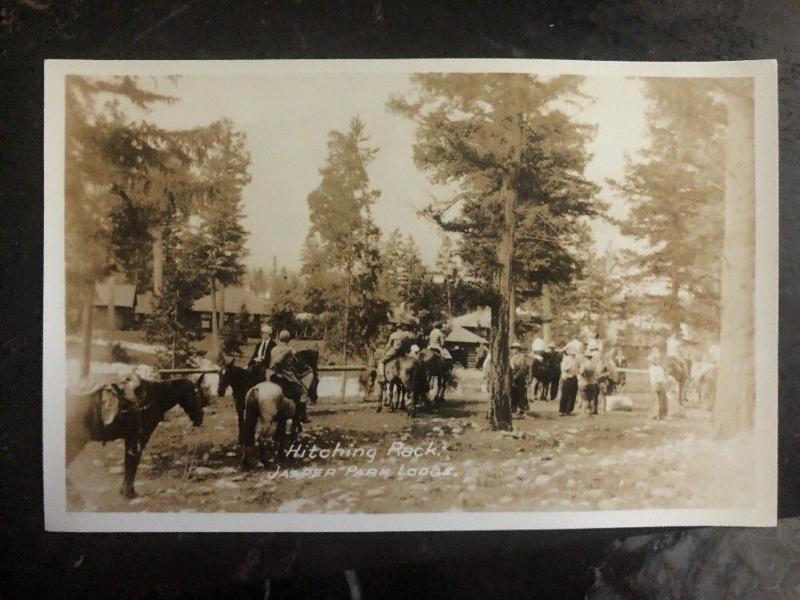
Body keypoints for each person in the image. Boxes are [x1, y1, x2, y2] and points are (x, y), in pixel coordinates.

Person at [269, 330, 311, 423]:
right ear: (288, 339)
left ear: (279, 338)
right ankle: (302, 415)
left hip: (274, 377)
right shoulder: (290, 350)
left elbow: (271, 364)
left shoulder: (273, 349)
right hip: (287, 378)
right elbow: (294, 365)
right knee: (303, 392)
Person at [580, 341, 603, 415]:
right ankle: (591, 411)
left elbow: (582, 372)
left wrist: (584, 378)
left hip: (585, 382)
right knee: (591, 399)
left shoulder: (584, 364)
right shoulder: (595, 363)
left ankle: (584, 413)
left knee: (585, 399)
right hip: (593, 382)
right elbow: (598, 372)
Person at [509, 341, 529, 416]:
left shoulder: (522, 357)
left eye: (515, 348)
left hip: (520, 378)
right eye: (513, 348)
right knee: (513, 393)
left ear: (518, 349)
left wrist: (516, 376)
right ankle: (514, 408)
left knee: (520, 393)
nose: (514, 350)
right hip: (513, 378)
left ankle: (522, 409)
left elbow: (522, 369)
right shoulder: (512, 357)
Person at [647, 347, 668, 420]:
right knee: (660, 401)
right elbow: (662, 378)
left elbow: (653, 379)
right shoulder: (659, 368)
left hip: (655, 385)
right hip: (659, 385)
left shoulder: (652, 369)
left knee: (656, 401)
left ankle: (656, 414)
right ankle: (659, 415)